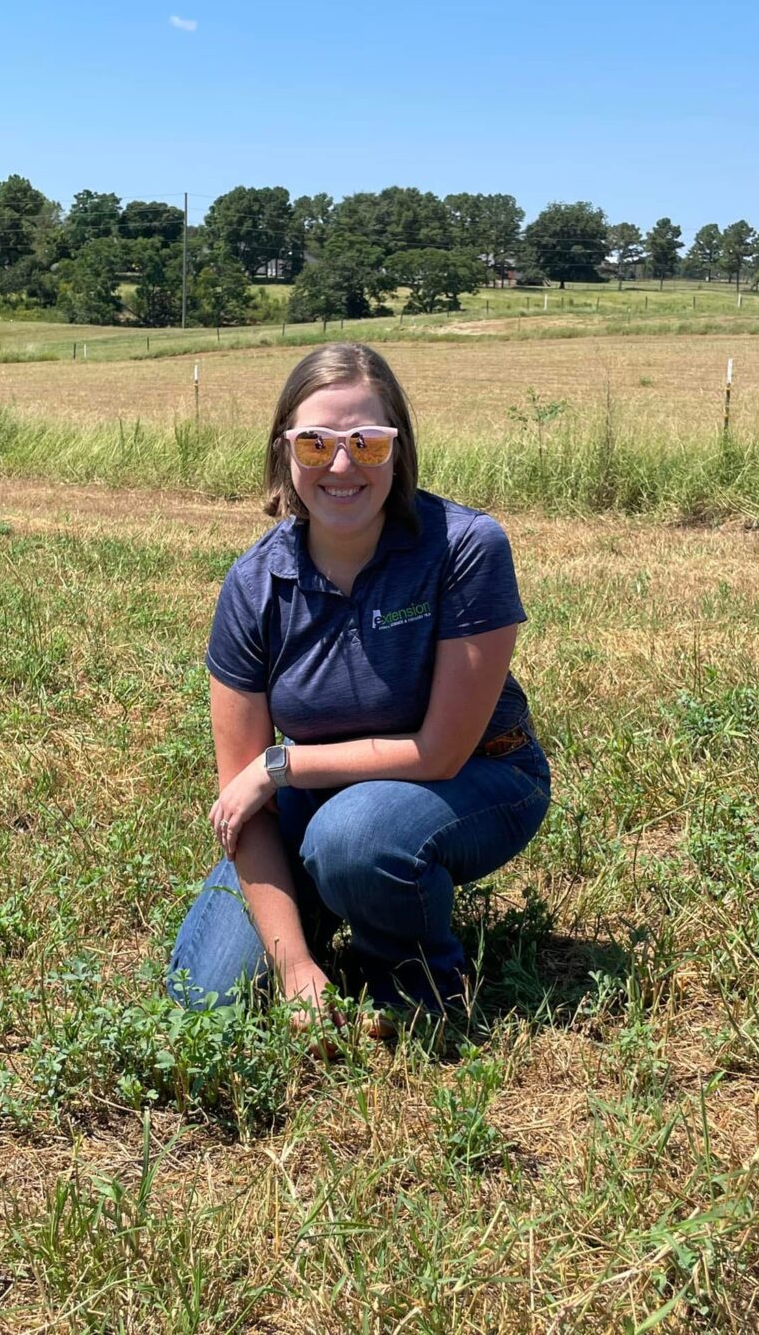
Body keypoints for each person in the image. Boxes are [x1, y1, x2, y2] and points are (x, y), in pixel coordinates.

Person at [167, 343, 550, 1028]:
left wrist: (282, 764)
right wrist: (292, 967)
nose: (341, 466)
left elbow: (439, 753)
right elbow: (242, 804)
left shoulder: (463, 547)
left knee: (356, 835)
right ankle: (330, 910)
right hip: (313, 809)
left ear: (397, 452)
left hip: (479, 779)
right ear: (284, 451)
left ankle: (416, 985)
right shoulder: (253, 585)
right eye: (315, 444)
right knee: (207, 1002)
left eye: (366, 443)